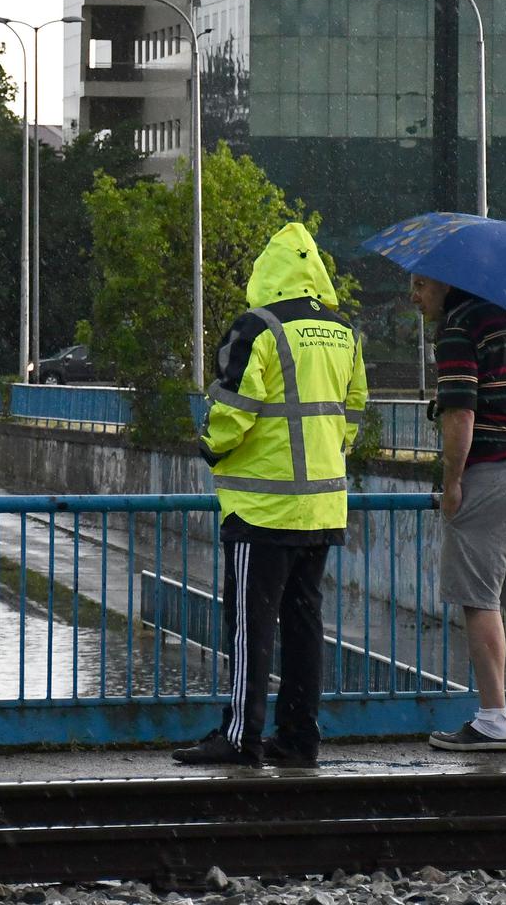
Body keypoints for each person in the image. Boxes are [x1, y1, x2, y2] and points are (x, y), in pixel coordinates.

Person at [172, 222, 368, 768]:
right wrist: (333, 452)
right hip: (322, 506)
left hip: (262, 509)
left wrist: (210, 446)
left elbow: (233, 413)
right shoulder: (343, 333)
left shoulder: (257, 328)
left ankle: (241, 737)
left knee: (249, 626)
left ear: (266, 272)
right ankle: (300, 737)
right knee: (304, 625)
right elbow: (353, 410)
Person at [410, 273, 506, 753]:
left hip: (489, 477)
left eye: (421, 285)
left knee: (480, 600)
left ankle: (492, 718)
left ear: (449, 285)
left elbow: (461, 414)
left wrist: (452, 482)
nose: (414, 296)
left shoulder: (457, 329)